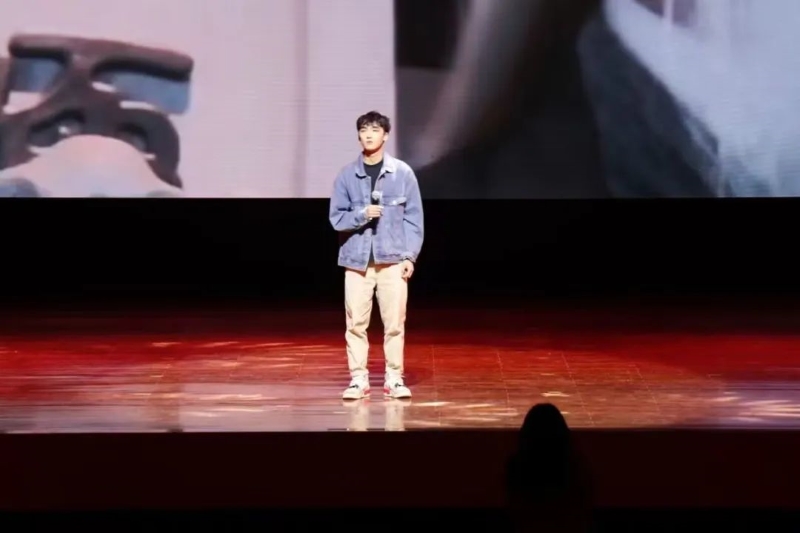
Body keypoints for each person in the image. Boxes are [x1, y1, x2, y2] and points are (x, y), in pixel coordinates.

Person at [329, 111, 424, 400]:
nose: (368, 134)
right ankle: (358, 379)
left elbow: (413, 219)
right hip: (356, 263)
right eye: (363, 130)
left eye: (374, 129)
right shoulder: (347, 175)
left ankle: (394, 379)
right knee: (355, 325)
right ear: (358, 136)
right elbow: (336, 218)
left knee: (394, 324)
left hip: (392, 260)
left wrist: (409, 257)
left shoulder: (402, 173)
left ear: (385, 135)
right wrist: (362, 214)